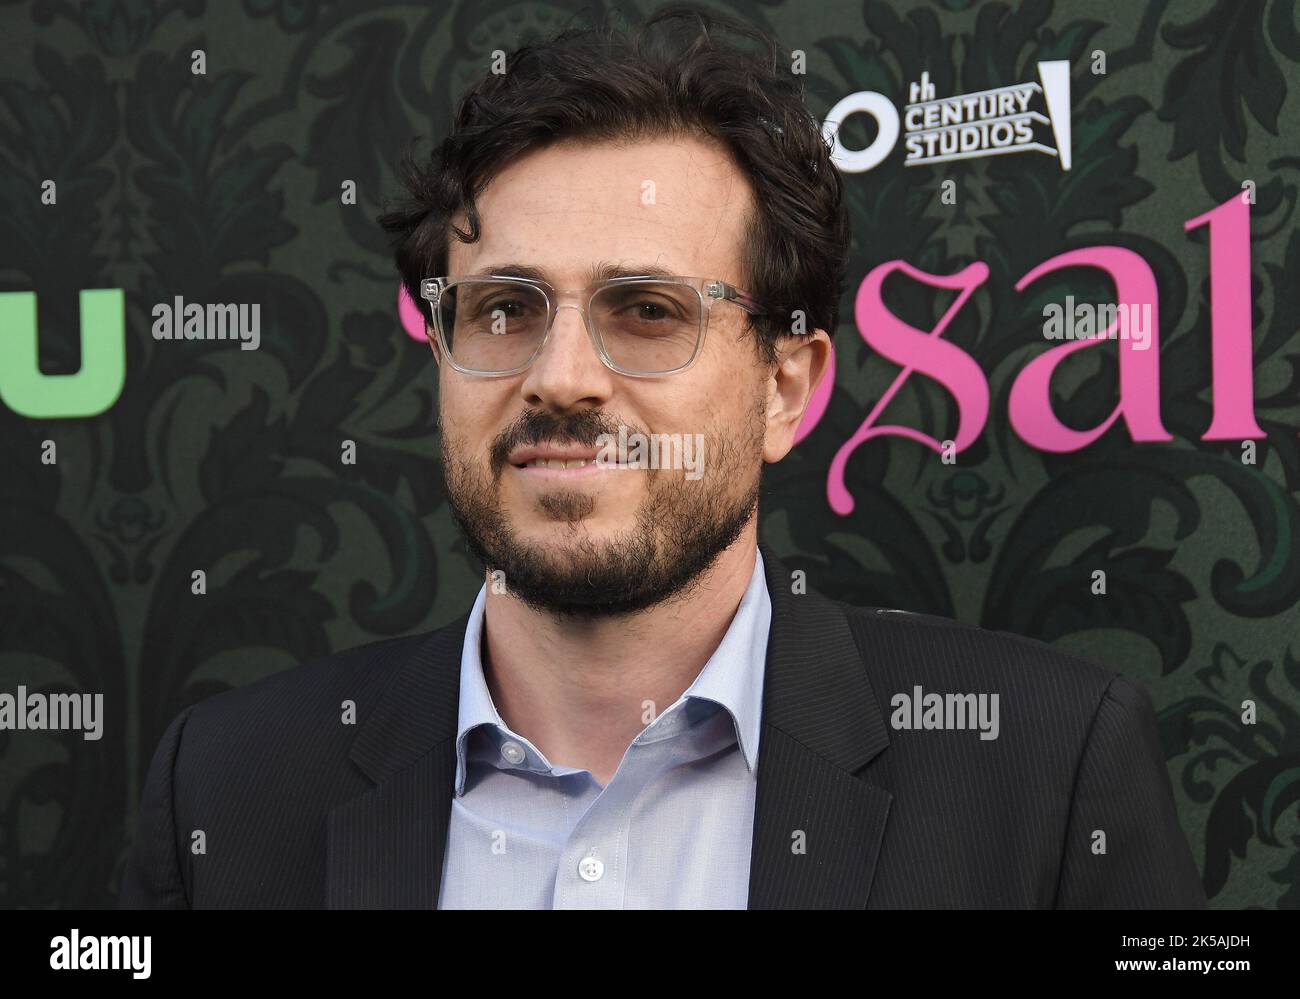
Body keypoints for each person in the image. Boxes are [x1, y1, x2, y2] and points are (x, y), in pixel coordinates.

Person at [119, 6, 1205, 909]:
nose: (561, 377)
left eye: (645, 310)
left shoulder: (1048, 775)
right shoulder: (223, 789)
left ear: (786, 387)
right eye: (502, 308)